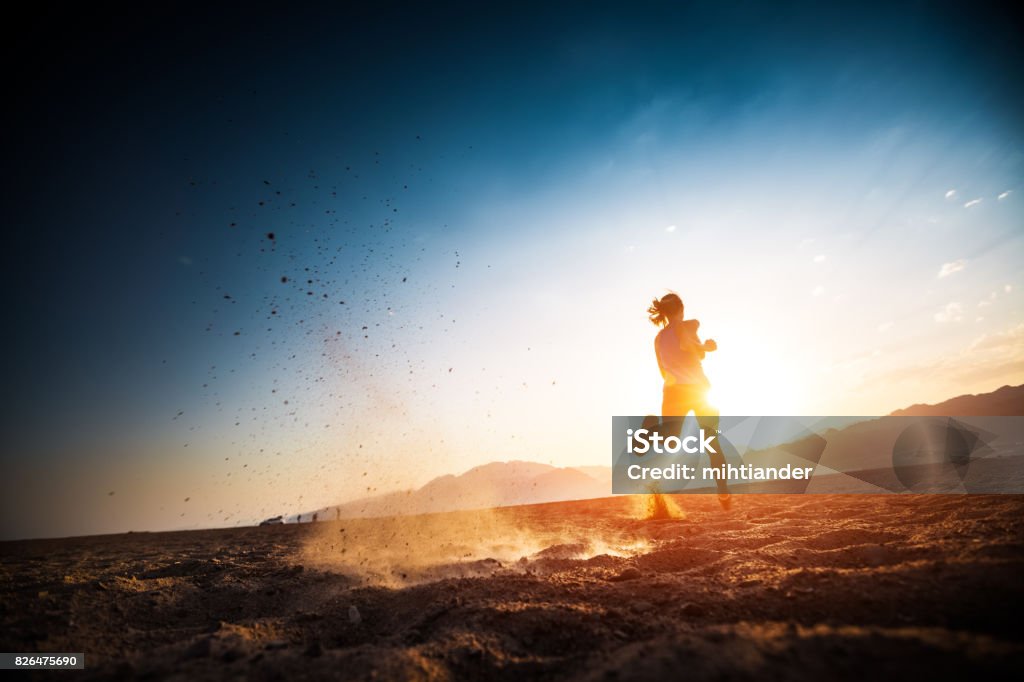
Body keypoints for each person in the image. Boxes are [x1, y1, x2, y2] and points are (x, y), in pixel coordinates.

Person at [648, 292, 731, 509]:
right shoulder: (686, 326)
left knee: (670, 440)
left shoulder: (658, 339)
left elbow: (662, 370)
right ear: (681, 310)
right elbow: (690, 348)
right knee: (712, 443)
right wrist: (708, 347)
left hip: (673, 392)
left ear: (664, 313)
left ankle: (649, 432)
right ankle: (723, 492)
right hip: (698, 390)